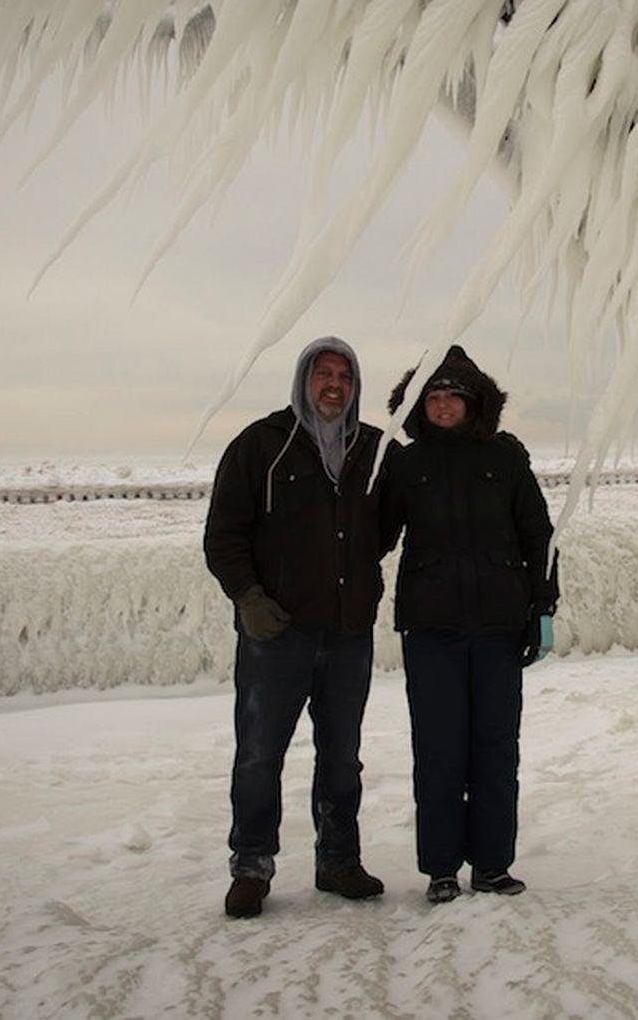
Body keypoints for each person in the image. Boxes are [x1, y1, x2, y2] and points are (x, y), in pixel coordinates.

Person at [203, 337, 389, 919]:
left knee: (342, 757)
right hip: (275, 636)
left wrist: (360, 577)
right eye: (322, 374)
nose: (334, 384)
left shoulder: (376, 450)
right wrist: (249, 598)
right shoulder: (261, 445)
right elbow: (223, 535)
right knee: (259, 756)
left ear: (356, 386)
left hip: (348, 634)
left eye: (344, 375)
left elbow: (399, 518)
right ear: (303, 381)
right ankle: (251, 868)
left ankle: (337, 861)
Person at [382, 345, 558, 904]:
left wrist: (543, 608)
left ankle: (491, 865)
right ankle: (440, 868)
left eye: (452, 396)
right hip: (431, 630)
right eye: (432, 396)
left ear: (473, 402)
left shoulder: (505, 457)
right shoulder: (405, 464)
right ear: (419, 405)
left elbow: (538, 536)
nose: (442, 405)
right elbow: (376, 534)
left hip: (499, 629)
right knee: (438, 748)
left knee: (495, 747)